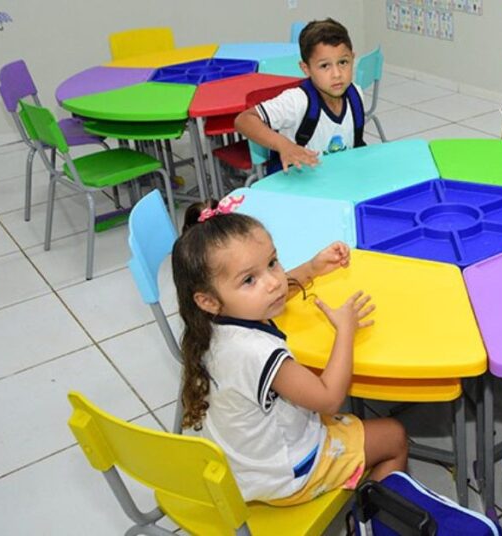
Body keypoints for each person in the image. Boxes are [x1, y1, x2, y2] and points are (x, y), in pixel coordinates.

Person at [171, 196, 408, 505]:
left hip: (242, 467)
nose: (273, 282)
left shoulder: (208, 325)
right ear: (208, 300)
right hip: (287, 477)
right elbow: (328, 399)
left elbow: (271, 292)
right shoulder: (258, 353)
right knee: (395, 435)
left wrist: (311, 268)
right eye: (249, 279)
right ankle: (368, 519)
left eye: (272, 262)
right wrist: (346, 331)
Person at [235, 18, 366, 173]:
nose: (337, 74)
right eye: (325, 66)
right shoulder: (297, 101)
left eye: (343, 62)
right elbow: (243, 120)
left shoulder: (355, 95)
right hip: (301, 184)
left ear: (352, 58)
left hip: (339, 180)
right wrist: (284, 145)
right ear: (306, 68)